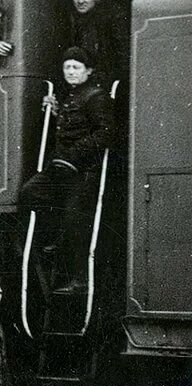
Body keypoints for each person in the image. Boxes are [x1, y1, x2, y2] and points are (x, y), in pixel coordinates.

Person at [19, 47, 114, 293]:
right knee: (30, 192)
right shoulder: (69, 96)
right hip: (61, 168)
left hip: (84, 170)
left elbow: (105, 133)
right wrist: (54, 112)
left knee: (75, 220)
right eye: (67, 68)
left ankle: (80, 279)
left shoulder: (96, 96)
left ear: (88, 71)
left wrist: (74, 155)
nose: (70, 72)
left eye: (76, 67)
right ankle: (55, 240)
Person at [67, 0, 129, 88]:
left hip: (104, 78)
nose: (80, 1)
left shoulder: (112, 15)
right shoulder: (74, 17)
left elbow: (122, 51)